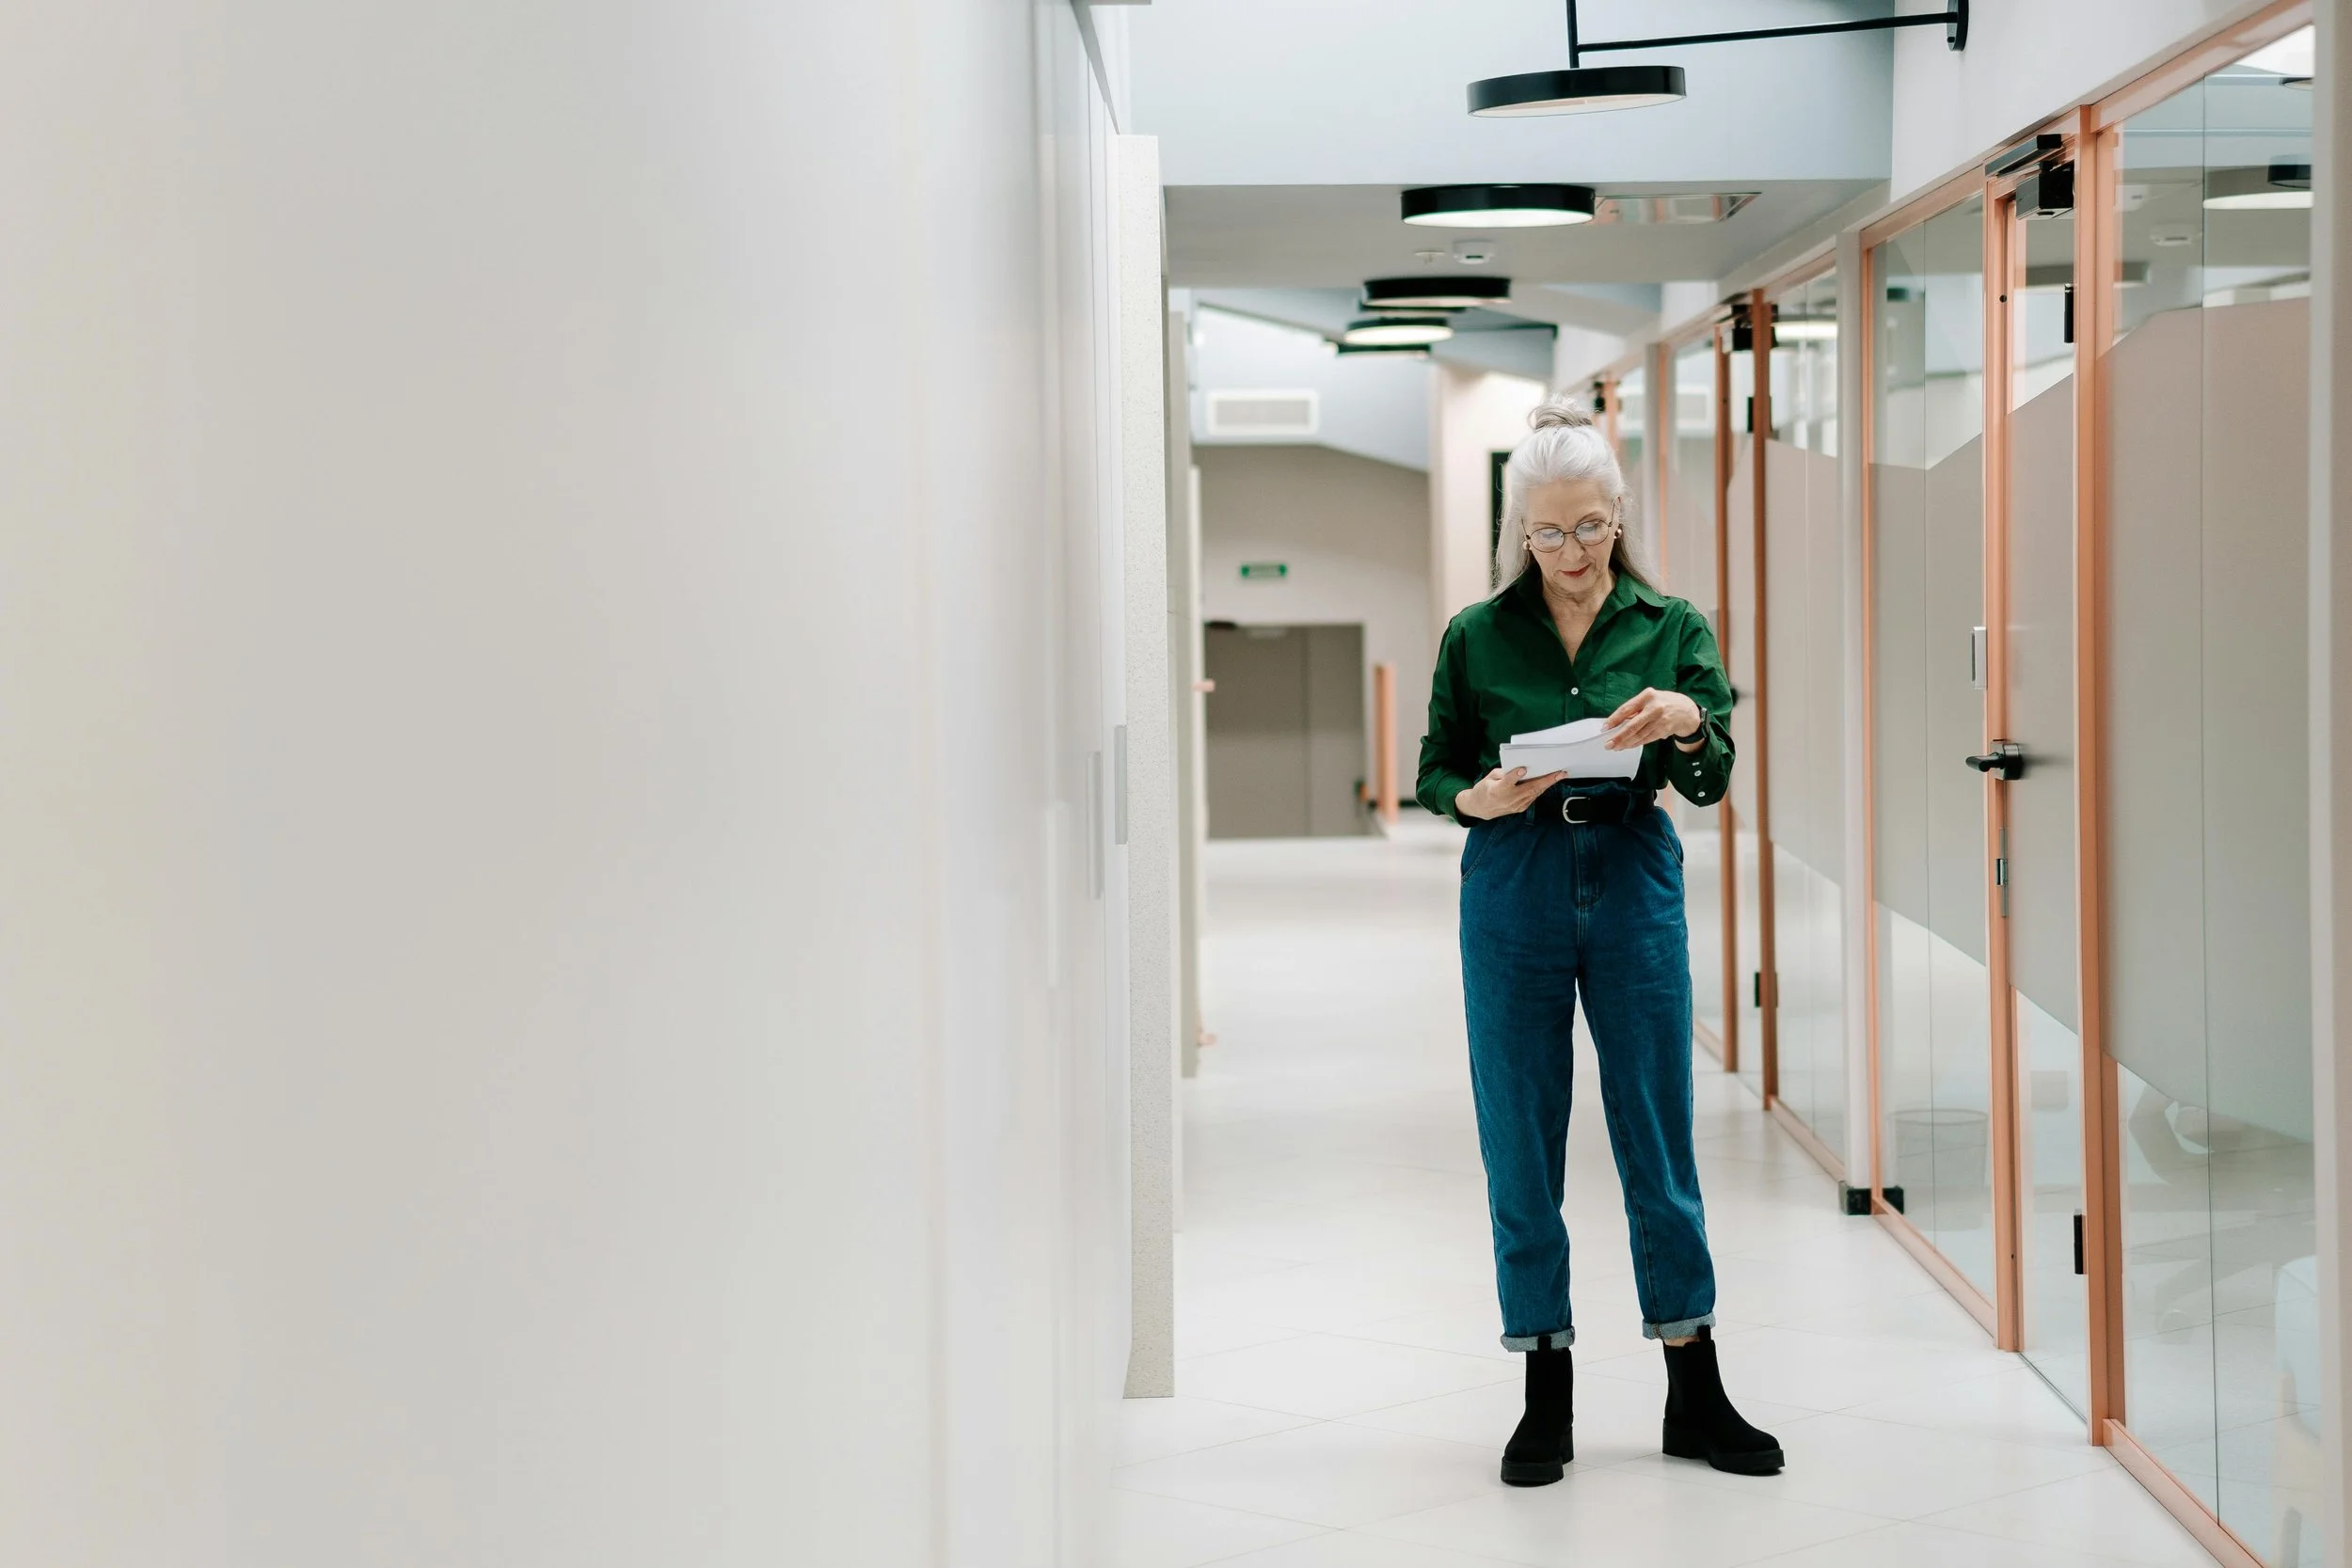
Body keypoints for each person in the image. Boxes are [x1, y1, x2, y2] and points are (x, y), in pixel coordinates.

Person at [1416, 395, 1781, 1486]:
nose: (1572, 555)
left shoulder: (1671, 627)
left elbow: (1710, 781)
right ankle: (1545, 1386)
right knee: (1519, 1138)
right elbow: (1433, 770)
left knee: (1654, 1135)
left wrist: (1686, 723)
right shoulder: (1476, 635)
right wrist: (1473, 796)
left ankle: (1693, 1382)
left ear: (1618, 515)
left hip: (1630, 877)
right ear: (1517, 532)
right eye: (1548, 532)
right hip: (1516, 883)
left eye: (1590, 527)